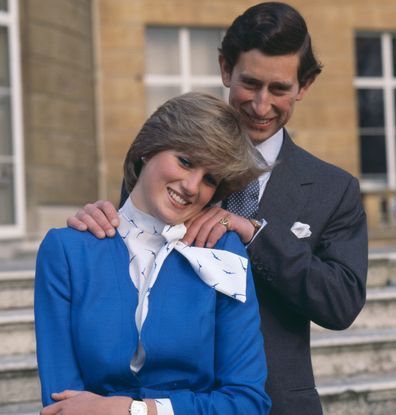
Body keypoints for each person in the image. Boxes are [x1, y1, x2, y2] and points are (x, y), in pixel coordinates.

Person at [67, 2, 368, 414]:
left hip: (280, 404)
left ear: (305, 85)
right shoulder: (168, 167)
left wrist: (254, 234)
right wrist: (98, 229)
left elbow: (341, 304)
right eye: (250, 84)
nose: (261, 105)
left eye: (279, 89)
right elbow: (128, 271)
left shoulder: (334, 190)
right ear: (226, 69)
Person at [35, 92, 271, 415]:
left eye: (210, 179)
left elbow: (247, 402)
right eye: (185, 161)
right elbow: (61, 404)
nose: (191, 186)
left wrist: (139, 411)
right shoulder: (67, 252)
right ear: (148, 149)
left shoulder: (224, 254)